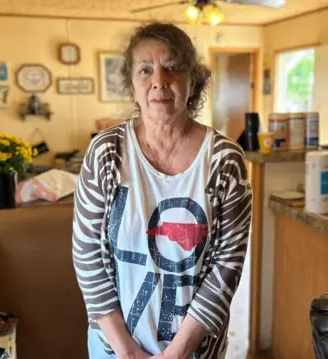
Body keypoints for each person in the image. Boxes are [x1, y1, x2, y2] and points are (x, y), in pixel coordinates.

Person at [72, 22, 253, 359]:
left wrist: (178, 352)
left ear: (192, 79)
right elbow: (87, 260)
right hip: (113, 349)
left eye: (172, 67)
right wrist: (127, 352)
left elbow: (227, 267)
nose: (159, 80)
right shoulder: (106, 152)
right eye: (145, 69)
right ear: (131, 83)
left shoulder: (226, 160)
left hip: (197, 351)